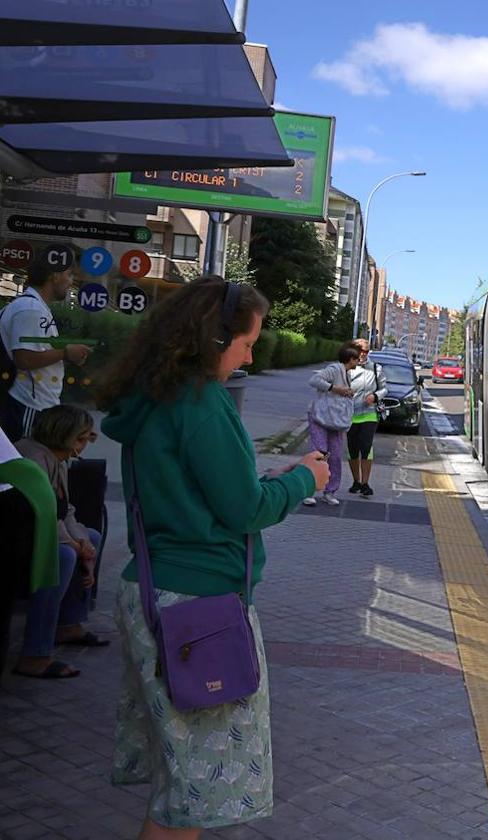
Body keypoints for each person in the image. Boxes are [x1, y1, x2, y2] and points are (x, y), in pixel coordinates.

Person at [97, 277, 330, 838]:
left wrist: (261, 480)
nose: (251, 354)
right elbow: (245, 509)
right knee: (195, 792)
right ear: (213, 337)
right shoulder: (203, 402)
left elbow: (197, 490)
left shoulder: (153, 397)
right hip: (199, 608)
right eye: (247, 343)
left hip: (153, 590)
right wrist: (303, 478)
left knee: (181, 779)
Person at [11, 404, 105, 679]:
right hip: (19, 536)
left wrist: (83, 542)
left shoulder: (57, 457)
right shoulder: (33, 457)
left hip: (41, 530)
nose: (86, 444)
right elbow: (43, 514)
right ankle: (34, 653)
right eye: (83, 437)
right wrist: (76, 546)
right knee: (63, 556)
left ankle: (69, 624)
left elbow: (66, 510)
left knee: (92, 538)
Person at [0, 252, 92, 440]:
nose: (71, 281)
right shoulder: (30, 309)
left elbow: (37, 355)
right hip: (28, 403)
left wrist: (67, 356)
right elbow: (23, 358)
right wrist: (65, 353)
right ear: (54, 276)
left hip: (34, 404)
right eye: (69, 274)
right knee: (29, 463)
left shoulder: (35, 307)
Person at [301, 344, 358, 506]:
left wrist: (346, 392)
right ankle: (309, 490)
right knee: (319, 452)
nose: (359, 361)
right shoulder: (334, 369)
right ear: (350, 359)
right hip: (320, 416)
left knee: (336, 454)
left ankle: (330, 491)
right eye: (356, 358)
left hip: (335, 419)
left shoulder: (347, 374)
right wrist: (334, 388)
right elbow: (314, 380)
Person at [346, 338, 387, 496]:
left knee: (366, 446)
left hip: (369, 414)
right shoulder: (347, 368)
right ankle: (356, 481)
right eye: (360, 350)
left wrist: (375, 396)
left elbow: (384, 389)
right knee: (352, 449)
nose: (363, 354)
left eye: (366, 351)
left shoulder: (376, 368)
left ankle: (365, 483)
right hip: (350, 415)